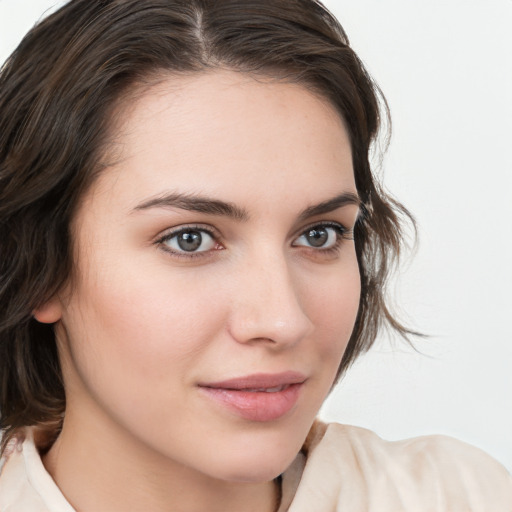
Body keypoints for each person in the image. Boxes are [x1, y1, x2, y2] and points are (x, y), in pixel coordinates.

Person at [0, 0, 510, 510]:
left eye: (319, 235)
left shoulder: (460, 496)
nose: (284, 321)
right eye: (190, 239)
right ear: (40, 266)